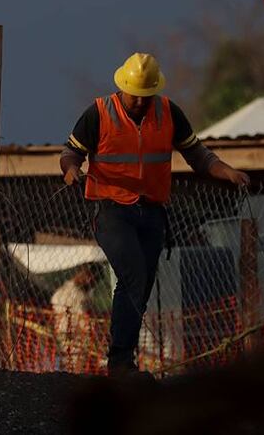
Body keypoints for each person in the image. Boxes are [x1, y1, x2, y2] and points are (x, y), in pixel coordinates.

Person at [59, 52, 249, 375]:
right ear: (123, 88)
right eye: (136, 96)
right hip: (113, 211)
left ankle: (125, 357)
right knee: (132, 273)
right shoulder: (100, 113)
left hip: (152, 213)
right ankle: (119, 361)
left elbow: (197, 154)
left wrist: (226, 171)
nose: (140, 102)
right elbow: (70, 152)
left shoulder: (168, 112)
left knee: (142, 284)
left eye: (147, 96)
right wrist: (71, 170)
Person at [50, 263, 102, 373]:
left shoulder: (67, 292)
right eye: (93, 279)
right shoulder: (73, 295)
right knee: (75, 367)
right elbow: (84, 320)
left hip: (69, 335)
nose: (92, 283)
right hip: (73, 336)